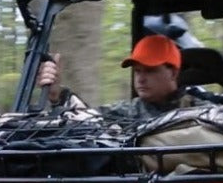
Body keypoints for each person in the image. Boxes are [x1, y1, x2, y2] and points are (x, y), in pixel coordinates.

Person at [37, 34, 212, 121]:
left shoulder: (204, 113)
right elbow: (86, 119)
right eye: (137, 71)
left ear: (173, 73)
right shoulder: (127, 112)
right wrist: (56, 94)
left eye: (150, 71)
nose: (141, 79)